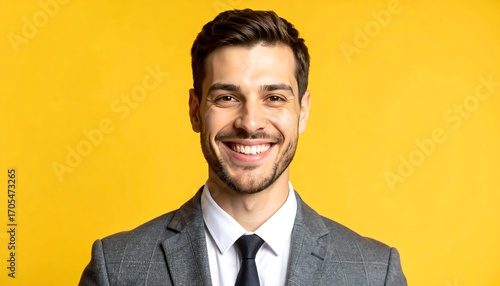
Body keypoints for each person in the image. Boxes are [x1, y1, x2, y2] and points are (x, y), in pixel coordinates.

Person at [79, 9, 407, 286]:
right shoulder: (117, 268)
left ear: (302, 112)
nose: (250, 123)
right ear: (195, 110)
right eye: (227, 98)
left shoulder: (375, 273)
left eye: (274, 98)